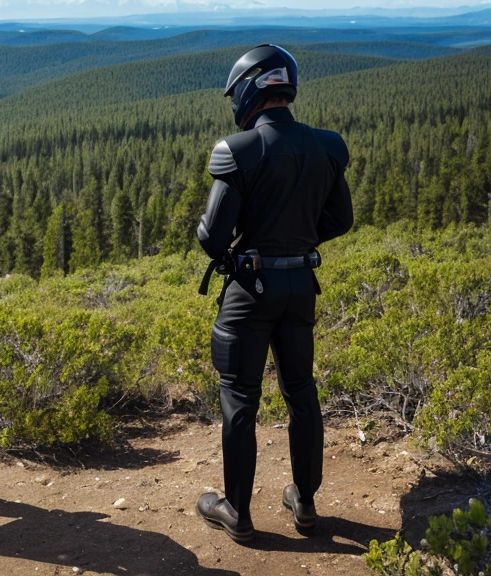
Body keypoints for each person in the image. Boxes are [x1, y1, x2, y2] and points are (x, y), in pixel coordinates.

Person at [193, 45, 353, 543]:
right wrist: (296, 241)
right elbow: (340, 220)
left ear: (249, 90)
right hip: (300, 285)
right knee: (301, 394)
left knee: (240, 399)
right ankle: (305, 503)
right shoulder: (327, 146)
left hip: (249, 290)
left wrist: (252, 244)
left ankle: (237, 512)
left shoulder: (238, 150)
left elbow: (211, 239)